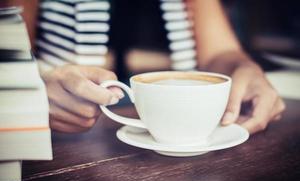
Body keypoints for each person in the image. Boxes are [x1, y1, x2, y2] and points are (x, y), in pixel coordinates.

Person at [5, 0, 285, 134]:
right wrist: (31, 89)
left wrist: (246, 67)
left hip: (182, 143)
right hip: (63, 141)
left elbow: (221, 52)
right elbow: (8, 60)